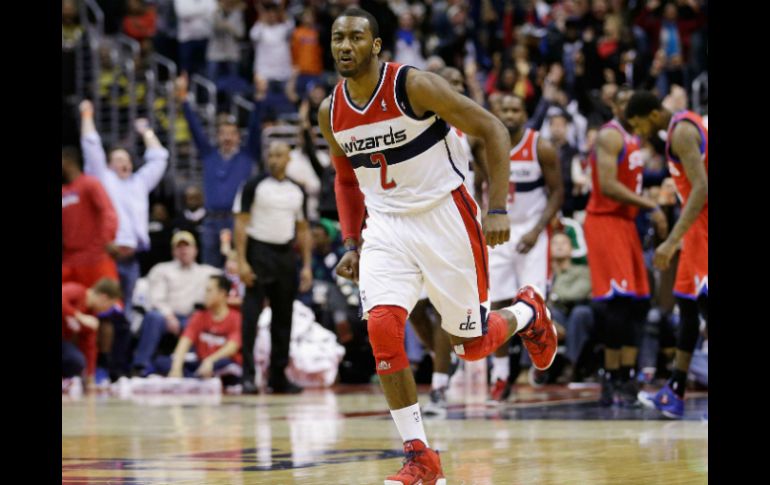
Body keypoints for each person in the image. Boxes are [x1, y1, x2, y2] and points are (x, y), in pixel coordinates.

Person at [317, 8, 558, 484]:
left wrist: (497, 207)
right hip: (386, 226)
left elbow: (493, 129)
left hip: (445, 216)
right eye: (338, 37)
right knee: (382, 326)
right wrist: (350, 241)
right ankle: (420, 456)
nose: (345, 45)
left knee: (472, 345)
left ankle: (529, 311)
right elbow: (345, 179)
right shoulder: (330, 111)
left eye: (356, 37)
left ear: (376, 45)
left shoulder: (414, 86)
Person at [584, 86, 669, 406]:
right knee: (617, 304)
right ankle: (611, 378)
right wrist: (651, 205)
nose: (626, 106)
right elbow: (607, 185)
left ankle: (628, 376)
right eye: (621, 101)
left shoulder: (635, 137)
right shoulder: (610, 135)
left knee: (639, 304)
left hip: (626, 223)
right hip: (605, 221)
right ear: (615, 107)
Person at [626, 90, 708, 419]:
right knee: (687, 307)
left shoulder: (682, 133)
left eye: (638, 125)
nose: (638, 132)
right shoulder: (681, 125)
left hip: (703, 228)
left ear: (652, 115)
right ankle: (675, 391)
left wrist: (672, 240)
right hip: (696, 230)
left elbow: (701, 188)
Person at [486, 93, 564, 402]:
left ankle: (538, 362)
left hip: (532, 231)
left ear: (524, 113)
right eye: (504, 109)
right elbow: (479, 185)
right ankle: (500, 374)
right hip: (499, 230)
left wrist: (537, 229)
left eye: (515, 109)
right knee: (497, 303)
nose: (509, 114)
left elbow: (557, 192)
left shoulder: (540, 146)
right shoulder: (487, 143)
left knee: (534, 303)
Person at [233, 141, 313, 395]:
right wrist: (241, 261)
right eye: (271, 155)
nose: (274, 160)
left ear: (289, 159)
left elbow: (303, 229)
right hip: (258, 252)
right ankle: (248, 377)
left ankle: (278, 377)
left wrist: (307, 266)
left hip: (285, 254)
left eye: (279, 155)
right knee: (251, 316)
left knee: (283, 317)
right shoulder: (254, 185)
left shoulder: (296, 190)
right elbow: (240, 223)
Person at [80, 101, 169, 320]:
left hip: (132, 259)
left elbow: (159, 157)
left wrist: (146, 132)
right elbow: (91, 147)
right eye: (119, 159)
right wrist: (87, 115)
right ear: (109, 165)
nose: (124, 162)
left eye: (127, 159)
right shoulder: (103, 179)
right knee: (104, 309)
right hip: (107, 256)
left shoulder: (139, 183)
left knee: (126, 314)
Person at [160, 275, 243, 381]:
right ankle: (195, 379)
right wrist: (176, 367)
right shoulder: (199, 315)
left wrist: (211, 360)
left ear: (222, 294)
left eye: (209, 291)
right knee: (162, 362)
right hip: (201, 362)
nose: (205, 295)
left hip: (221, 362)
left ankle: (193, 379)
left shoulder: (236, 318)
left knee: (226, 366)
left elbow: (232, 347)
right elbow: (184, 342)